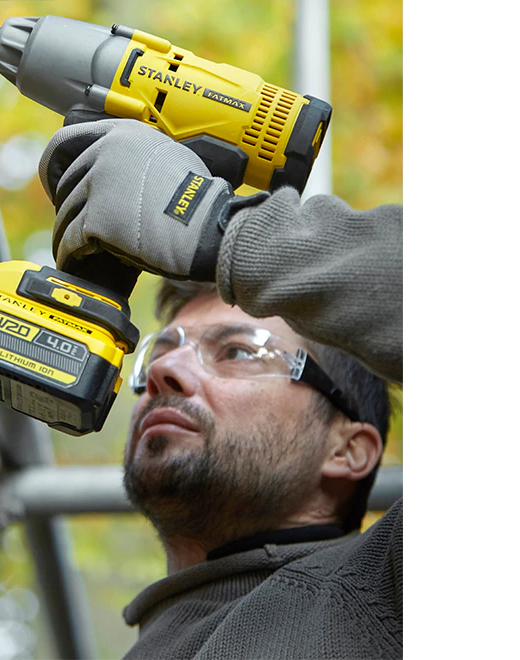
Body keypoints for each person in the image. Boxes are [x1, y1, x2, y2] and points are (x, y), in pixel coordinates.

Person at [39, 118, 403, 659]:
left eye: (237, 352)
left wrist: (219, 229)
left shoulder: (390, 592)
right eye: (161, 350)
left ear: (348, 450)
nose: (166, 370)